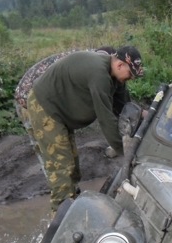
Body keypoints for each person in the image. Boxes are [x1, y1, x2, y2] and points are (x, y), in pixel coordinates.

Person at [25, 45, 144, 210]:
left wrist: (142, 122)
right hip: (45, 107)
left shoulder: (116, 79)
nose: (130, 78)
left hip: (61, 111)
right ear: (119, 65)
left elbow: (124, 107)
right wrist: (125, 152)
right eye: (130, 74)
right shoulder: (99, 75)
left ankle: (74, 206)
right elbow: (106, 119)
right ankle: (60, 223)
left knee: (73, 168)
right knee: (62, 171)